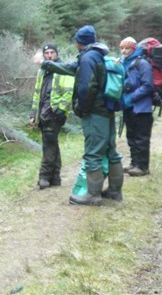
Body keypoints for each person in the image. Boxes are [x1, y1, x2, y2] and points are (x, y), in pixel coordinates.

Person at [41, 25, 124, 205]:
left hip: (95, 113)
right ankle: (115, 191)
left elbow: (87, 87)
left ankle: (92, 195)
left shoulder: (87, 58)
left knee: (93, 152)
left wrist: (81, 108)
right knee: (110, 150)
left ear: (79, 42)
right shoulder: (97, 54)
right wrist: (47, 64)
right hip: (106, 111)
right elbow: (71, 68)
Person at [28, 43, 74, 189]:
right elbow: (37, 94)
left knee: (48, 143)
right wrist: (33, 114)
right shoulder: (42, 71)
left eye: (52, 53)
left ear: (57, 53)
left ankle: (44, 176)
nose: (49, 56)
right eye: (46, 53)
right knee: (51, 143)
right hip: (42, 113)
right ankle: (55, 178)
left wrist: (61, 109)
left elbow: (69, 91)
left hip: (54, 113)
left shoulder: (62, 69)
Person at [119, 36, 154, 177]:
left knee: (141, 138)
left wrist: (131, 97)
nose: (124, 51)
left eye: (127, 48)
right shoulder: (123, 63)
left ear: (133, 49)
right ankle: (134, 163)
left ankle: (143, 166)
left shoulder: (142, 63)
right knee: (131, 136)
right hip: (129, 107)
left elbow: (148, 85)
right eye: (122, 48)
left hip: (142, 108)